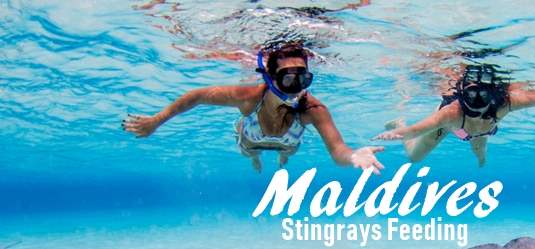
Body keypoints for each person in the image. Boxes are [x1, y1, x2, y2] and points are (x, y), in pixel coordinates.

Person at [123, 42, 384, 173]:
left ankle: (281, 158)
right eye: (288, 78)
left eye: (303, 78)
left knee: (288, 152)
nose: (297, 88)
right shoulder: (248, 97)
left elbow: (337, 149)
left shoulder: (312, 109)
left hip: (287, 142)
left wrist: (352, 156)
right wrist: (156, 120)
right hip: (252, 139)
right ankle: (257, 158)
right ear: (270, 79)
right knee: (249, 153)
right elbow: (197, 96)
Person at [373, 64, 535, 167]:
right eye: (472, 94)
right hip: (455, 127)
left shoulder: (505, 103)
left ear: (493, 94)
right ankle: (398, 118)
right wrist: (395, 132)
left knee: (480, 151)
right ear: (462, 93)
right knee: (414, 157)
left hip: (482, 131)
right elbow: (417, 130)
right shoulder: (450, 113)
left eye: (484, 94)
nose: (479, 101)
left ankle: (481, 160)